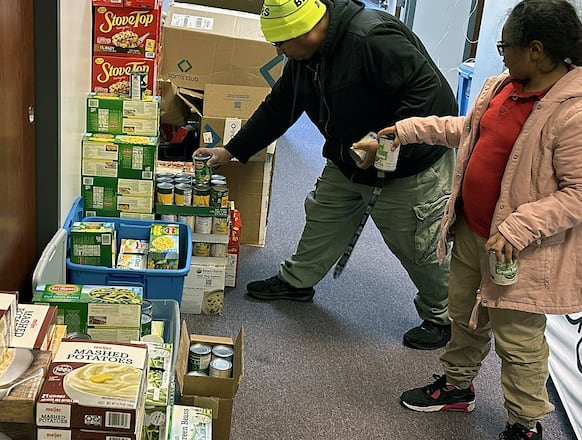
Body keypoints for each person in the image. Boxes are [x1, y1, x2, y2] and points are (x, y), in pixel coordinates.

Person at [353, 0, 582, 437]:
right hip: (473, 234)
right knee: (465, 318)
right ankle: (458, 387)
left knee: (519, 345)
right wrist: (403, 130)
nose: (500, 54)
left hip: (521, 252)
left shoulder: (573, 112)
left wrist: (518, 227)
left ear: (535, 49)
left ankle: (525, 424)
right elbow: (466, 129)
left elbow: (578, 194)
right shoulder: (501, 87)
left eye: (505, 45)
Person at [192, 0, 457, 349]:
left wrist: (385, 139)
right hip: (348, 156)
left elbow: (433, 96)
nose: (278, 51)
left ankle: (444, 316)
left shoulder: (372, 38)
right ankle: (296, 282)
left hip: (408, 165)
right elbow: (280, 105)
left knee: (419, 245)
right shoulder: (307, 57)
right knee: (324, 216)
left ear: (307, 31)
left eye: (282, 44)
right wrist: (232, 150)